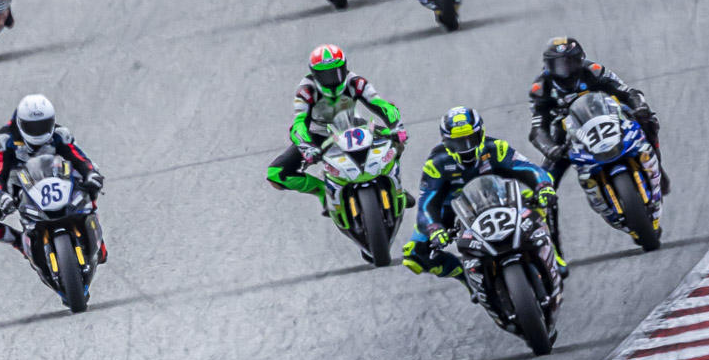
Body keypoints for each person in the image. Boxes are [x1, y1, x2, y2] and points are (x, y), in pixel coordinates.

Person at [404, 107, 561, 282]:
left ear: (481, 133)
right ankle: (465, 277)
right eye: (458, 142)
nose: (466, 148)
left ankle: (550, 253)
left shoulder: (497, 148)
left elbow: (531, 169)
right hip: (453, 210)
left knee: (538, 203)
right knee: (414, 254)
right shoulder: (435, 163)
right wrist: (435, 229)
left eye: (470, 139)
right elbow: (426, 204)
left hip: (499, 198)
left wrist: (544, 186)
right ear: (446, 142)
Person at [528, 35, 668, 195]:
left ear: (580, 59)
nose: (565, 69)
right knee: (547, 173)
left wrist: (640, 107)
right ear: (548, 65)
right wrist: (550, 149)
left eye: (570, 62)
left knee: (647, 119)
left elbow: (627, 92)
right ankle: (543, 204)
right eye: (559, 65)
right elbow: (537, 128)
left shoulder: (593, 70)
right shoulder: (540, 88)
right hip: (568, 128)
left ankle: (657, 165)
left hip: (604, 111)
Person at [0, 94, 105, 256]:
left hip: (57, 177)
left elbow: (79, 158)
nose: (38, 131)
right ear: (20, 123)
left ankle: (96, 234)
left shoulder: (60, 134)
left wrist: (91, 174)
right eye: (32, 127)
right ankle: (20, 242)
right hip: (19, 184)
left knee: (92, 181)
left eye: (43, 125)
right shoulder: (5, 140)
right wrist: (1, 195)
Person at [267, 44, 406, 200]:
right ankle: (324, 192)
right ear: (314, 74)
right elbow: (299, 122)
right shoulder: (306, 90)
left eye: (336, 72)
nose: (331, 79)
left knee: (394, 140)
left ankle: (394, 184)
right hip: (318, 135)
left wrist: (396, 126)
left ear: (344, 67)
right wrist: (306, 146)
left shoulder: (356, 82)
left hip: (354, 126)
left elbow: (380, 104)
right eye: (324, 75)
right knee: (276, 174)